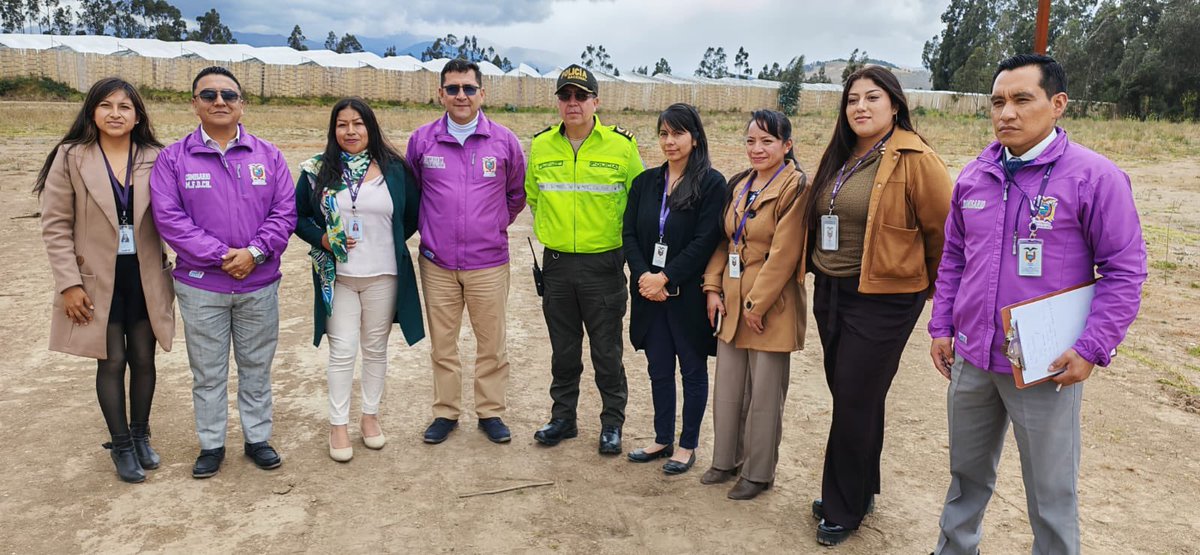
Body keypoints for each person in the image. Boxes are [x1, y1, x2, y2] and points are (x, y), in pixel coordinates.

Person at [929, 54, 1147, 555]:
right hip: (975, 355)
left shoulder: (1094, 177)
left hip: (1044, 363)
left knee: (1051, 494)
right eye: (998, 102)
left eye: (1022, 99)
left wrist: (1092, 347)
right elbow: (954, 260)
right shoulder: (974, 176)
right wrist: (942, 327)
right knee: (966, 475)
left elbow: (1125, 270)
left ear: (1058, 104)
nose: (1006, 112)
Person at [801, 66, 953, 546]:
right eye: (851, 100)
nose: (860, 107)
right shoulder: (843, 153)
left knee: (853, 397)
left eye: (872, 98)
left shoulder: (915, 156)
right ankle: (860, 488)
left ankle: (843, 508)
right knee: (856, 397)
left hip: (885, 298)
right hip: (831, 289)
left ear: (895, 104)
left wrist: (928, 292)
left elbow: (944, 234)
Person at [150, 66, 296, 479]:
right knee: (209, 372)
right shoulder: (172, 159)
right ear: (194, 103)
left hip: (259, 284)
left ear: (241, 104)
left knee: (255, 366)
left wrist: (253, 252)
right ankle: (211, 444)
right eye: (209, 95)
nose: (219, 102)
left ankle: (257, 439)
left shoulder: (268, 155)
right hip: (201, 287)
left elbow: (284, 213)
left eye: (228, 95)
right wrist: (220, 256)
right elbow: (170, 219)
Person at [38, 77, 175, 484]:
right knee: (112, 360)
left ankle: (141, 435)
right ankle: (120, 445)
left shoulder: (157, 156)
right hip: (97, 278)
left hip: (145, 274)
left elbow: (178, 215)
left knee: (145, 359)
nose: (115, 113)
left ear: (137, 116)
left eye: (125, 107)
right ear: (92, 112)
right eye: (106, 105)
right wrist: (69, 284)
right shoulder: (71, 156)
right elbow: (55, 225)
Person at [294, 98, 424, 462]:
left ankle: (370, 418)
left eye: (358, 124)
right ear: (333, 130)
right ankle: (338, 425)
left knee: (375, 349)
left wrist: (386, 240)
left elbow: (410, 216)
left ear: (371, 127)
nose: (350, 131)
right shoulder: (316, 171)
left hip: (383, 274)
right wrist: (322, 239)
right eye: (342, 125)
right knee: (342, 350)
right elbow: (298, 216)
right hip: (338, 277)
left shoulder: (395, 169)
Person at [405, 59, 526, 445]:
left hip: (488, 263)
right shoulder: (422, 141)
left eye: (469, 88)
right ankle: (446, 412)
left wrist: (489, 226)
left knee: (492, 343)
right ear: (440, 94)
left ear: (482, 94)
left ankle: (490, 412)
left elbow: (516, 194)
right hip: (437, 263)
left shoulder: (504, 141)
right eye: (453, 88)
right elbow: (415, 193)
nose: (461, 95)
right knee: (444, 344)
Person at [525, 64, 644, 454]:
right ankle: (563, 418)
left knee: (606, 351)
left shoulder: (621, 146)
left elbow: (639, 200)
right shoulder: (541, 146)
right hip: (557, 264)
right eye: (565, 96)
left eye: (581, 95)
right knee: (563, 350)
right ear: (558, 102)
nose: (572, 103)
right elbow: (534, 196)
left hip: (603, 266)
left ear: (596, 101)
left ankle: (612, 423)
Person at [700, 109, 808, 500]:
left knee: (764, 395)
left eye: (767, 141)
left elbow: (785, 253)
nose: (757, 149)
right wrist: (712, 287)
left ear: (787, 146)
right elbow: (726, 241)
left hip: (770, 306)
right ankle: (725, 459)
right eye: (751, 141)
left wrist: (757, 304)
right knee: (728, 388)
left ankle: (759, 473)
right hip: (731, 301)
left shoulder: (796, 187)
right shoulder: (741, 184)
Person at [622, 103, 725, 475]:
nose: (670, 141)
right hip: (650, 296)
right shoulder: (645, 182)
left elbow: (705, 240)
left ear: (695, 138)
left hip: (686, 299)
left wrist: (666, 278)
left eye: (678, 133)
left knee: (693, 371)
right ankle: (662, 436)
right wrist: (645, 277)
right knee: (659, 369)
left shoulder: (712, 184)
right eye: (663, 133)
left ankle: (687, 445)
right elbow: (630, 233)